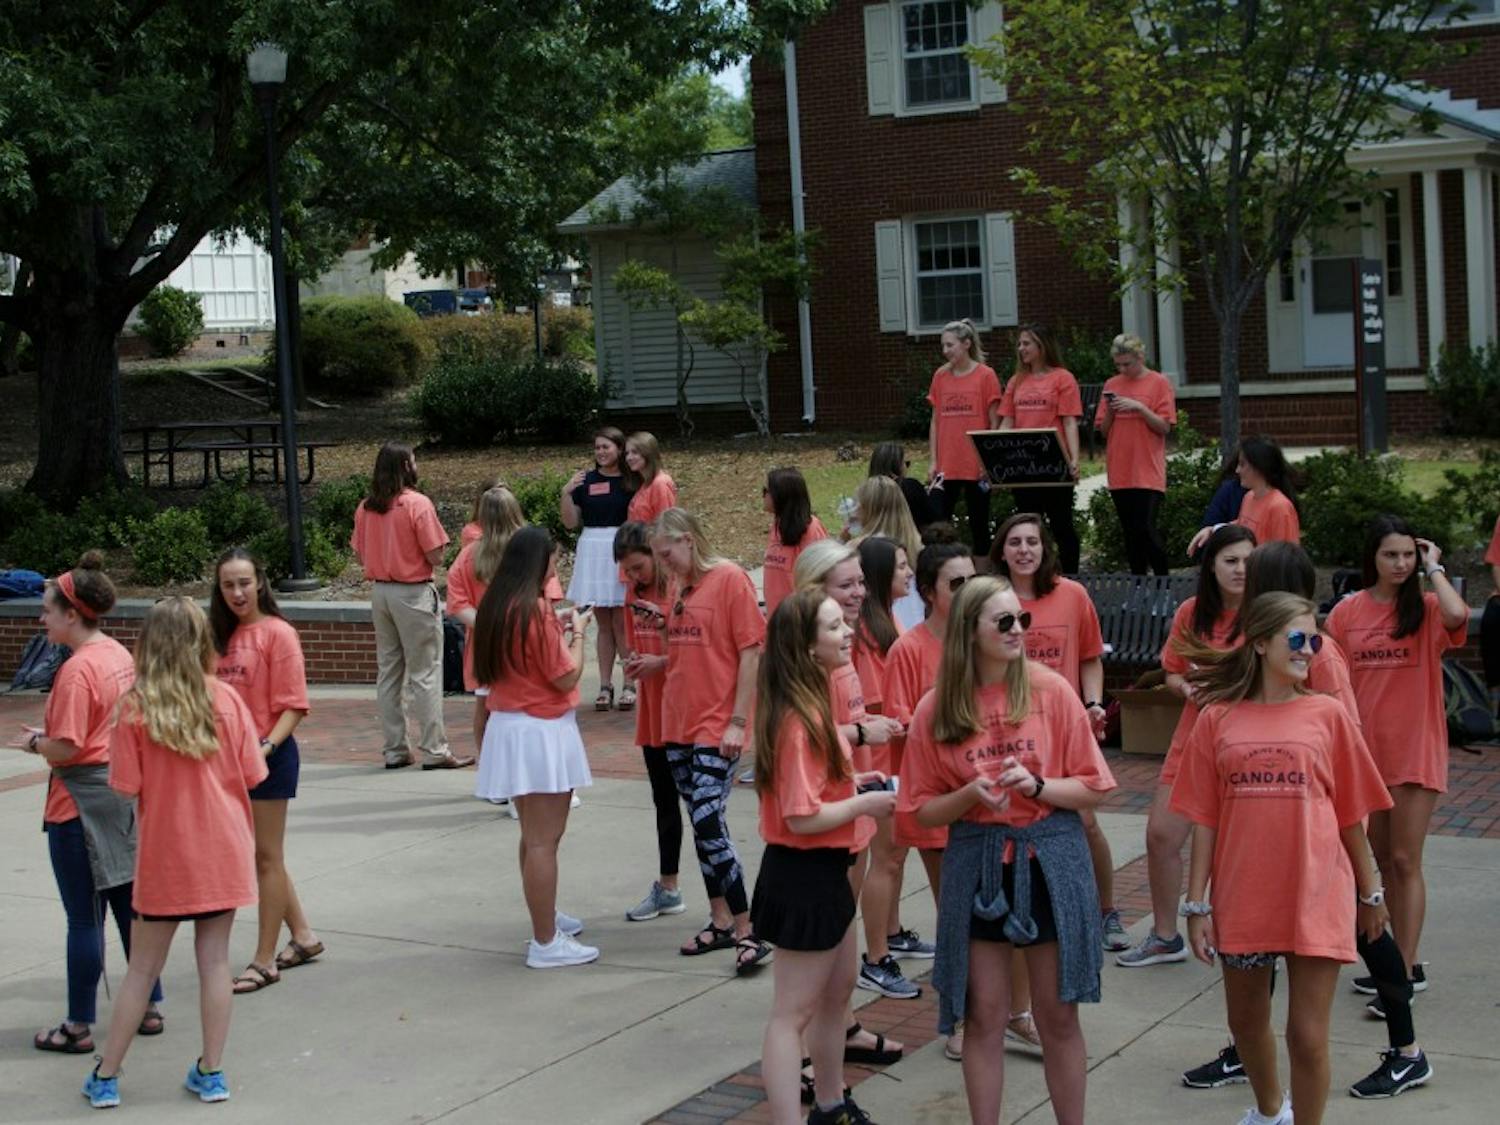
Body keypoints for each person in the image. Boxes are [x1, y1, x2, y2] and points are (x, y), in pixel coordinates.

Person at [1178, 539, 1428, 1098]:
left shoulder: (1326, 707)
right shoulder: (1218, 719)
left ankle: (1406, 1049)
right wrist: (1196, 903)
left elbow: (1349, 807)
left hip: (1317, 886)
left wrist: (1370, 890)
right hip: (1245, 893)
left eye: (1314, 638)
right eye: (1299, 639)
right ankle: (1271, 1111)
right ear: (1261, 641)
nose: (1310, 648)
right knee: (1246, 1025)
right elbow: (1203, 815)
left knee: (1308, 1037)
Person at [901, 576, 1116, 1125]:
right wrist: (969, 795)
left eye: (1021, 619)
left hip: (1050, 859)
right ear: (970, 633)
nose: (1018, 630)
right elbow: (918, 811)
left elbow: (1095, 785)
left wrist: (1039, 787)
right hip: (978, 863)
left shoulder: (1050, 690)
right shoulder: (936, 709)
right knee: (984, 1015)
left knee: (1058, 1016)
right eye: (1003, 622)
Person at [83, 597, 268, 1109]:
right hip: (223, 852)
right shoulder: (227, 701)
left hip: (165, 857)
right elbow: (254, 775)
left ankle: (107, 1076)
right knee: (214, 963)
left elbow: (124, 787)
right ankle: (211, 1070)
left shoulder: (134, 708)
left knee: (142, 968)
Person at [752, 589, 895, 1125]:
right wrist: (867, 802)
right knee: (791, 1015)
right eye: (834, 627)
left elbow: (811, 789)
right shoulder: (797, 719)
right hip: (803, 875)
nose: (848, 632)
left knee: (836, 995)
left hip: (828, 872)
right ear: (808, 647)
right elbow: (799, 816)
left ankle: (832, 1105)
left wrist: (854, 781)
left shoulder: (808, 709)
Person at [11, 554, 163, 1055]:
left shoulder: (76, 672)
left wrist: (35, 744)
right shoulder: (117, 654)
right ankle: (149, 1003)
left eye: (48, 611)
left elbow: (68, 747)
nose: (41, 619)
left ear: (72, 614)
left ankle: (77, 1025)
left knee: (83, 917)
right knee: (128, 905)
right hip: (120, 794)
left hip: (77, 806)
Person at [1324, 516, 1468, 1011]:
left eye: (1409, 554)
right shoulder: (1346, 614)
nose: (1401, 563)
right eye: (1392, 555)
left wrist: (1436, 568)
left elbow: (1457, 614)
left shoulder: (1427, 609)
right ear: (1374, 558)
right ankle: (1393, 964)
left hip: (1414, 749)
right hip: (1364, 754)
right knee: (1379, 862)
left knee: (1406, 860)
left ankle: (1403, 974)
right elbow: (1327, 671)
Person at [1116, 524, 1255, 972]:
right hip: (1194, 741)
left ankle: (1250, 936)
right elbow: (1172, 671)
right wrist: (1188, 689)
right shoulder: (1192, 612)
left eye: (1248, 560)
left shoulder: (1267, 613)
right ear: (1210, 565)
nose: (1240, 569)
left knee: (1242, 848)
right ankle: (1164, 936)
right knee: (1161, 835)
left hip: (1248, 746)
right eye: (1230, 560)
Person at [990, 513, 1125, 952]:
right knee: (1022, 828)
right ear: (1001, 550)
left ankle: (1105, 911)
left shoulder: (1072, 595)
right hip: (1011, 729)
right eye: (1015, 542)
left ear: (1045, 547)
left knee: (1085, 821)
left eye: (1032, 541)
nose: (1024, 550)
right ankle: (1039, 910)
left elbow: (1090, 656)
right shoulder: (992, 600)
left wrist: (1092, 704)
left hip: (1065, 728)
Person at [472, 527, 598, 968]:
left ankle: (544, 916)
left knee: (533, 836)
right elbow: (564, 676)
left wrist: (558, 624)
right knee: (545, 840)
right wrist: (579, 633)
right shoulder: (535, 612)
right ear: (538, 562)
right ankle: (545, 942)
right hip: (540, 727)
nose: (555, 566)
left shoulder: (499, 605)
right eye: (552, 559)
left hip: (511, 724)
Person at [652, 507, 771, 973]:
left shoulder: (730, 579)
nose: (664, 565)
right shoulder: (677, 582)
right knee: (701, 820)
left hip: (717, 721)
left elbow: (749, 651)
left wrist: (738, 720)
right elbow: (686, 648)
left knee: (707, 820)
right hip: (678, 720)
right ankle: (721, 920)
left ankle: (747, 929)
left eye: (667, 554)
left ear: (687, 540)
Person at [210, 549, 322, 995]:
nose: (237, 592)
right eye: (227, 585)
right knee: (265, 854)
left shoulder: (278, 634)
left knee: (265, 858)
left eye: (244, 582)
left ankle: (263, 960)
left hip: (268, 759)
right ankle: (304, 936)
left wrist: (265, 747)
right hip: (226, 764)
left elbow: (294, 705)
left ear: (260, 583)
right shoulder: (217, 636)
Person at [882, 538, 975, 1058]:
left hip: (987, 799)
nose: (966, 592)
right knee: (956, 912)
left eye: (971, 581)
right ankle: (959, 1017)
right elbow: (900, 727)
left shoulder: (987, 639)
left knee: (993, 913)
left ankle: (1010, 1010)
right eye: (954, 584)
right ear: (928, 592)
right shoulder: (910, 649)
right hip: (938, 800)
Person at [844, 535, 935, 1005]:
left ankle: (894, 932)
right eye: (901, 566)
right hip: (877, 762)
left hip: (892, 757)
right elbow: (874, 704)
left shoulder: (888, 619)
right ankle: (875, 960)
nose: (908, 573)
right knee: (887, 859)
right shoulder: (864, 629)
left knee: (896, 859)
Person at [350, 441, 470, 770]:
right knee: (426, 672)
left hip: (381, 593)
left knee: (389, 672)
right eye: (413, 460)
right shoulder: (417, 504)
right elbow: (436, 555)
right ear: (405, 466)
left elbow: (360, 554)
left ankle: (395, 749)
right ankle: (434, 749)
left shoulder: (366, 507)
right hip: (413, 592)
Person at [615, 521, 686, 923]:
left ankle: (728, 903)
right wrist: (634, 662)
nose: (634, 577)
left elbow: (701, 651)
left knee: (702, 807)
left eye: (638, 568)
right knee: (664, 800)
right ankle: (669, 886)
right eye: (627, 571)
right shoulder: (632, 593)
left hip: (683, 708)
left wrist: (661, 660)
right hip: (652, 709)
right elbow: (631, 642)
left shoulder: (679, 588)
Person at [448, 486, 527, 759]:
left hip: (484, 644)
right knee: (523, 707)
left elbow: (457, 604)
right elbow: (548, 593)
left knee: (485, 708)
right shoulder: (529, 550)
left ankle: (489, 771)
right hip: (524, 641)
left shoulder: (468, 555)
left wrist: (487, 624)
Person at [561, 427, 636, 711]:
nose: (601, 452)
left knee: (622, 621)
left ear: (619, 448)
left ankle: (630, 683)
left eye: (606, 447)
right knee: (603, 623)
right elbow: (570, 522)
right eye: (597, 448)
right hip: (592, 547)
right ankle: (605, 685)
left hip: (621, 546)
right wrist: (566, 493)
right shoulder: (585, 481)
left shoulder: (632, 482)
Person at [999, 324, 1084, 573]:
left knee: (1061, 525)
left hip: (1053, 462)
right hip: (1022, 465)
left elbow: (1069, 420)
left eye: (1026, 343)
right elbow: (1007, 420)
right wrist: (994, 457)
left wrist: (1074, 459)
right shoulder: (1016, 381)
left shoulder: (1062, 378)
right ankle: (1034, 574)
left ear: (1041, 346)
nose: (1021, 348)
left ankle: (1070, 577)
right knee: (1028, 524)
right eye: (1019, 344)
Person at [1095, 333, 1176, 576]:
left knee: (1146, 528)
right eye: (1118, 364)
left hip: (1147, 469)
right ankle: (1138, 585)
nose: (1122, 369)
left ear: (1140, 357)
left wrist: (1140, 407)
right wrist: (1111, 410)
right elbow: (1103, 431)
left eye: (1127, 364)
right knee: (1130, 532)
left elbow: (1164, 427)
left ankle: (1162, 583)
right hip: (1120, 468)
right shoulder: (1112, 384)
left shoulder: (1159, 383)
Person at [926, 319, 1003, 553]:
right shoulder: (940, 376)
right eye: (943, 346)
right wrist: (933, 460)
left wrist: (988, 460)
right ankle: (945, 571)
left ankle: (981, 579)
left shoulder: (986, 376)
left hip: (976, 465)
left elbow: (994, 422)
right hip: (947, 464)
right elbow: (935, 420)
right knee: (940, 523)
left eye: (950, 345)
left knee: (979, 524)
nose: (945, 351)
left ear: (966, 344)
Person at [1187, 436, 1300, 555]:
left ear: (1259, 467)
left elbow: (1286, 558)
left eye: (1242, 464)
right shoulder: (1249, 497)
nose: (1237, 470)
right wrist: (1212, 530)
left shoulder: (1280, 507)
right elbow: (1241, 525)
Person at [852, 475, 925, 629]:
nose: (855, 510)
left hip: (881, 624)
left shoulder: (862, 548)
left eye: (858, 504)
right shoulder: (916, 543)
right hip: (915, 619)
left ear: (869, 508)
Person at [763, 466, 828, 616]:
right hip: (777, 619)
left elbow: (820, 579)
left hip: (800, 619)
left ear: (781, 495)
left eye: (766, 491)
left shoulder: (811, 529)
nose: (763, 496)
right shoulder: (776, 526)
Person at [869, 440, 936, 531]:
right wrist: (935, 493)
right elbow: (933, 518)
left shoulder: (868, 491)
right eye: (906, 463)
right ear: (897, 465)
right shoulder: (910, 486)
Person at [625, 431, 677, 525]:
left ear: (648, 453)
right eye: (627, 453)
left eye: (635, 452)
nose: (629, 458)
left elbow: (666, 525)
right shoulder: (645, 483)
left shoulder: (660, 483)